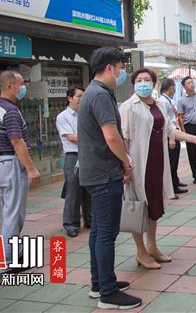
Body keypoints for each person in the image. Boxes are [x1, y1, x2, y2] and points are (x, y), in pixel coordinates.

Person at [120, 69, 196, 268]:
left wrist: (194, 139)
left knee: (155, 204)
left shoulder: (160, 104)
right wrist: (125, 168)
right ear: (134, 84)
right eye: (139, 80)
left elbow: (170, 129)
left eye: (147, 80)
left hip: (158, 161)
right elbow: (124, 138)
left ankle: (152, 246)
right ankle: (141, 252)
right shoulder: (128, 106)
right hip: (138, 163)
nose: (143, 83)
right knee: (138, 205)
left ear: (153, 84)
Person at [77, 47, 141, 310]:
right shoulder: (100, 95)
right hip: (103, 175)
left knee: (99, 232)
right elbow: (111, 136)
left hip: (96, 173)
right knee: (106, 234)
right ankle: (108, 293)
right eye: (120, 67)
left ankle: (99, 283)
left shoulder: (93, 92)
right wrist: (126, 161)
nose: (122, 72)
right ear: (109, 68)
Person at [0, 70, 41, 274]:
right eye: (21, 83)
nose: (23, 87)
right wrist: (31, 169)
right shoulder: (10, 111)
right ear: (10, 86)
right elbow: (17, 141)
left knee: (8, 210)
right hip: (11, 163)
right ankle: (10, 261)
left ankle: (16, 252)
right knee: (14, 214)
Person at [56, 86, 91, 238]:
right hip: (73, 156)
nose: (82, 99)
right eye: (79, 96)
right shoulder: (63, 116)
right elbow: (71, 137)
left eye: (83, 96)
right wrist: (91, 140)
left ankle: (90, 219)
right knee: (73, 191)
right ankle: (71, 224)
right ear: (70, 98)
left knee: (88, 189)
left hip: (87, 155)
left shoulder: (86, 115)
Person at [159, 78, 188, 195]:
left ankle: (175, 180)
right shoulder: (163, 101)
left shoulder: (168, 100)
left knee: (174, 160)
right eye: (173, 87)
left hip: (173, 131)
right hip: (170, 133)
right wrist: (171, 138)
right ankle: (172, 186)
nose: (175, 90)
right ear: (170, 88)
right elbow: (166, 121)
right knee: (172, 161)